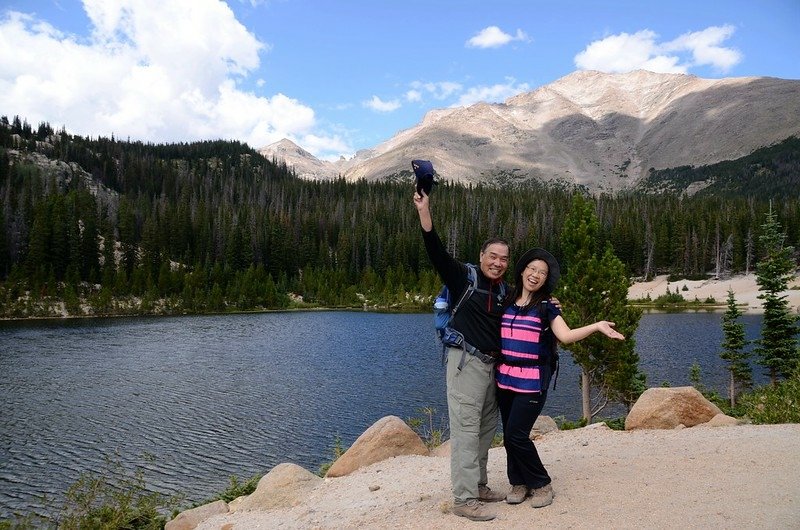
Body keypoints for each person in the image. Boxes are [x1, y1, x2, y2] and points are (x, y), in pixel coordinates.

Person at [496, 247, 625, 509]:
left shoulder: (546, 307)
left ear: (546, 280)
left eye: (542, 273)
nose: (535, 275)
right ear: (522, 271)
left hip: (532, 380)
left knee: (516, 435)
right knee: (509, 435)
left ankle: (541, 483)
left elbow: (565, 336)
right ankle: (518, 482)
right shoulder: (506, 300)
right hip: (504, 378)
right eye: (532, 269)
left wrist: (597, 326)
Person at [413, 189, 509, 522]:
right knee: (466, 431)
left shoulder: (503, 291)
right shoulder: (461, 279)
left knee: (484, 429)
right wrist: (425, 213)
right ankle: (464, 499)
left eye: (503, 258)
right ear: (481, 256)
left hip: (490, 366)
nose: (497, 262)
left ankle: (479, 486)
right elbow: (435, 251)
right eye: (492, 256)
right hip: (465, 363)